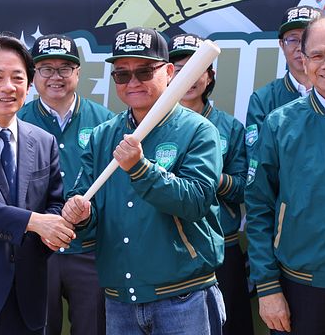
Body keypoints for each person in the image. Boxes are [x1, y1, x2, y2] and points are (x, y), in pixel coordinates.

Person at [62, 27, 226, 334]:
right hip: (120, 298)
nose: (133, 82)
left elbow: (196, 201)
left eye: (144, 71)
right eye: (122, 75)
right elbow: (86, 200)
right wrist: (80, 214)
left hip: (183, 297)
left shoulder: (198, 130)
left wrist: (140, 168)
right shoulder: (103, 135)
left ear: (169, 72)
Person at [244, 10, 325, 335]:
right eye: (317, 55)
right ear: (304, 62)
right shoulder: (279, 124)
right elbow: (259, 207)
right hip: (298, 292)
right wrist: (268, 288)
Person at [0, 33, 75, 334]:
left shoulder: (43, 142)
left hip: (28, 301)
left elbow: (54, 202)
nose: (8, 87)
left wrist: (58, 228)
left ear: (29, 84)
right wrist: (33, 222)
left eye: (18, 78)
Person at [18, 34, 114, 335]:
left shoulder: (105, 121)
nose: (55, 77)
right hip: (35, 250)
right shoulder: (17, 121)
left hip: (90, 249)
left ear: (78, 73)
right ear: (33, 75)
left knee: (93, 328)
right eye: (46, 69)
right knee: (36, 327)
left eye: (64, 69)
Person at [168, 33, 254, 335]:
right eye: (180, 70)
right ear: (167, 74)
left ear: (210, 76)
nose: (189, 78)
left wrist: (207, 178)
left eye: (197, 68)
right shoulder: (151, 123)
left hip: (221, 246)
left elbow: (245, 188)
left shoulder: (229, 127)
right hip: (168, 246)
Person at [245, 5, 321, 157]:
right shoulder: (263, 99)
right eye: (293, 39)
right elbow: (257, 155)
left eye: (308, 39)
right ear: (281, 44)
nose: (300, 48)